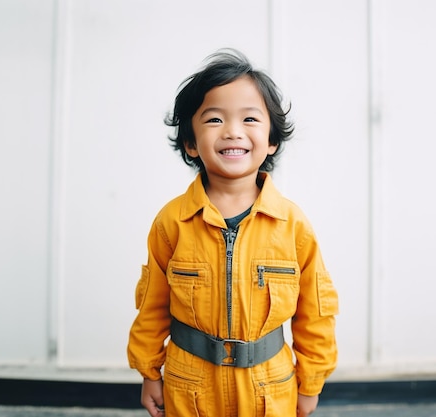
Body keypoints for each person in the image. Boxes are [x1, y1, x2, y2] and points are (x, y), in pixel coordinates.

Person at [127, 48, 338, 417]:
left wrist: (311, 384)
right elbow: (152, 307)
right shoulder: (171, 222)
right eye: (213, 119)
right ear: (191, 142)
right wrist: (150, 373)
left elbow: (314, 314)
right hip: (188, 385)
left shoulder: (293, 225)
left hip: (269, 387)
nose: (233, 131)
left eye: (250, 118)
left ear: (272, 140)